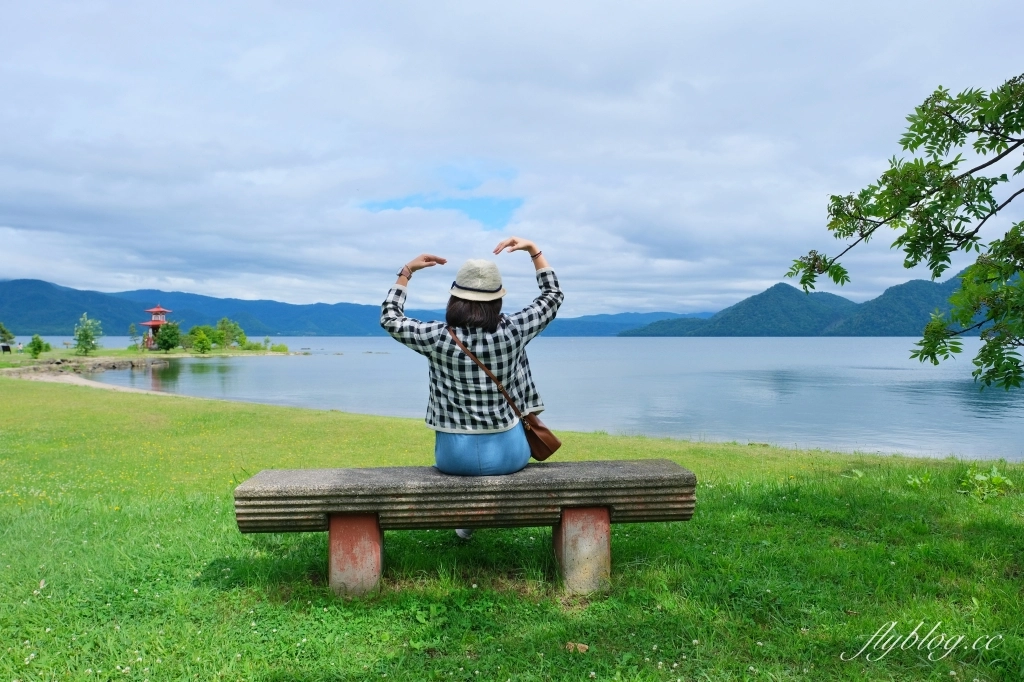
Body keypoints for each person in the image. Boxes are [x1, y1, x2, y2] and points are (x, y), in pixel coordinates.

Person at [381, 236, 564, 539]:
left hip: (454, 458)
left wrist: (406, 272)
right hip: (509, 456)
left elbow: (390, 318)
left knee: (465, 459)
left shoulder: (436, 336)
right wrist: (535, 251)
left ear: (454, 298)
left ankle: (466, 521)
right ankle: (473, 517)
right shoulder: (514, 330)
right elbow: (552, 295)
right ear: (497, 299)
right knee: (511, 427)